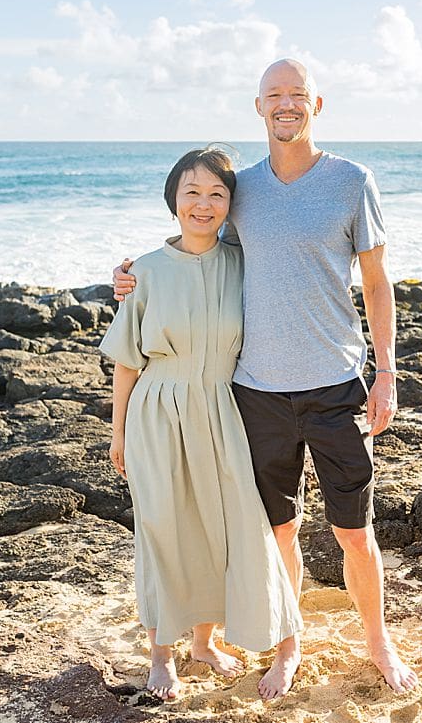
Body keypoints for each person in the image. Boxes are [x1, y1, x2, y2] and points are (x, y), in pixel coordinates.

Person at [113, 58, 419, 696]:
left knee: (354, 534)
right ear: (258, 107)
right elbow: (194, 242)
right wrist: (131, 277)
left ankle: (377, 642)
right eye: (274, 95)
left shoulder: (351, 181)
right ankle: (290, 645)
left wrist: (387, 370)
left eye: (297, 95)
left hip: (338, 385)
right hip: (254, 393)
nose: (287, 104)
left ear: (317, 105)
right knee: (277, 532)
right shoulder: (240, 188)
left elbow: (376, 279)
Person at [100, 146, 302, 701]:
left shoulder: (243, 263)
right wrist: (117, 432)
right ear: (173, 201)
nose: (204, 204)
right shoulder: (142, 272)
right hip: (157, 411)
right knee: (163, 531)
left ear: (231, 205)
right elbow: (125, 359)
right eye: (192, 192)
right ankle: (160, 655)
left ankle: (203, 642)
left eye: (217, 194)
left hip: (224, 408)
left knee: (218, 529)